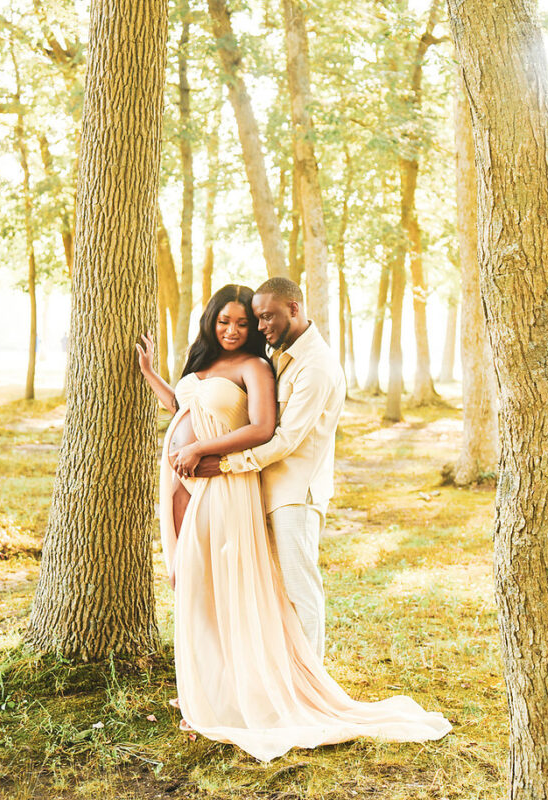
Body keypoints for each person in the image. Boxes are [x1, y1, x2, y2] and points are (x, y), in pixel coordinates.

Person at [137, 282, 451, 763]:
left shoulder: (303, 365)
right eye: (235, 320)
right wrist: (152, 375)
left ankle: (299, 690)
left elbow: (275, 436)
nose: (248, 328)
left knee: (290, 592)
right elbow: (191, 408)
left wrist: (209, 456)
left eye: (255, 320)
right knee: (207, 587)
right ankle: (219, 687)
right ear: (211, 319)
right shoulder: (278, 356)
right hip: (215, 488)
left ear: (293, 309)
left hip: (284, 491)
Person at [172, 276, 344, 661]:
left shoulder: (315, 366)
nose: (261, 327)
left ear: (294, 309)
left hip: (296, 494)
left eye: (265, 318)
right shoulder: (283, 354)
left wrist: (226, 464)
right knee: (275, 590)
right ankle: (283, 673)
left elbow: (284, 438)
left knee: (300, 590)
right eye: (258, 319)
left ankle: (310, 680)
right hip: (266, 488)